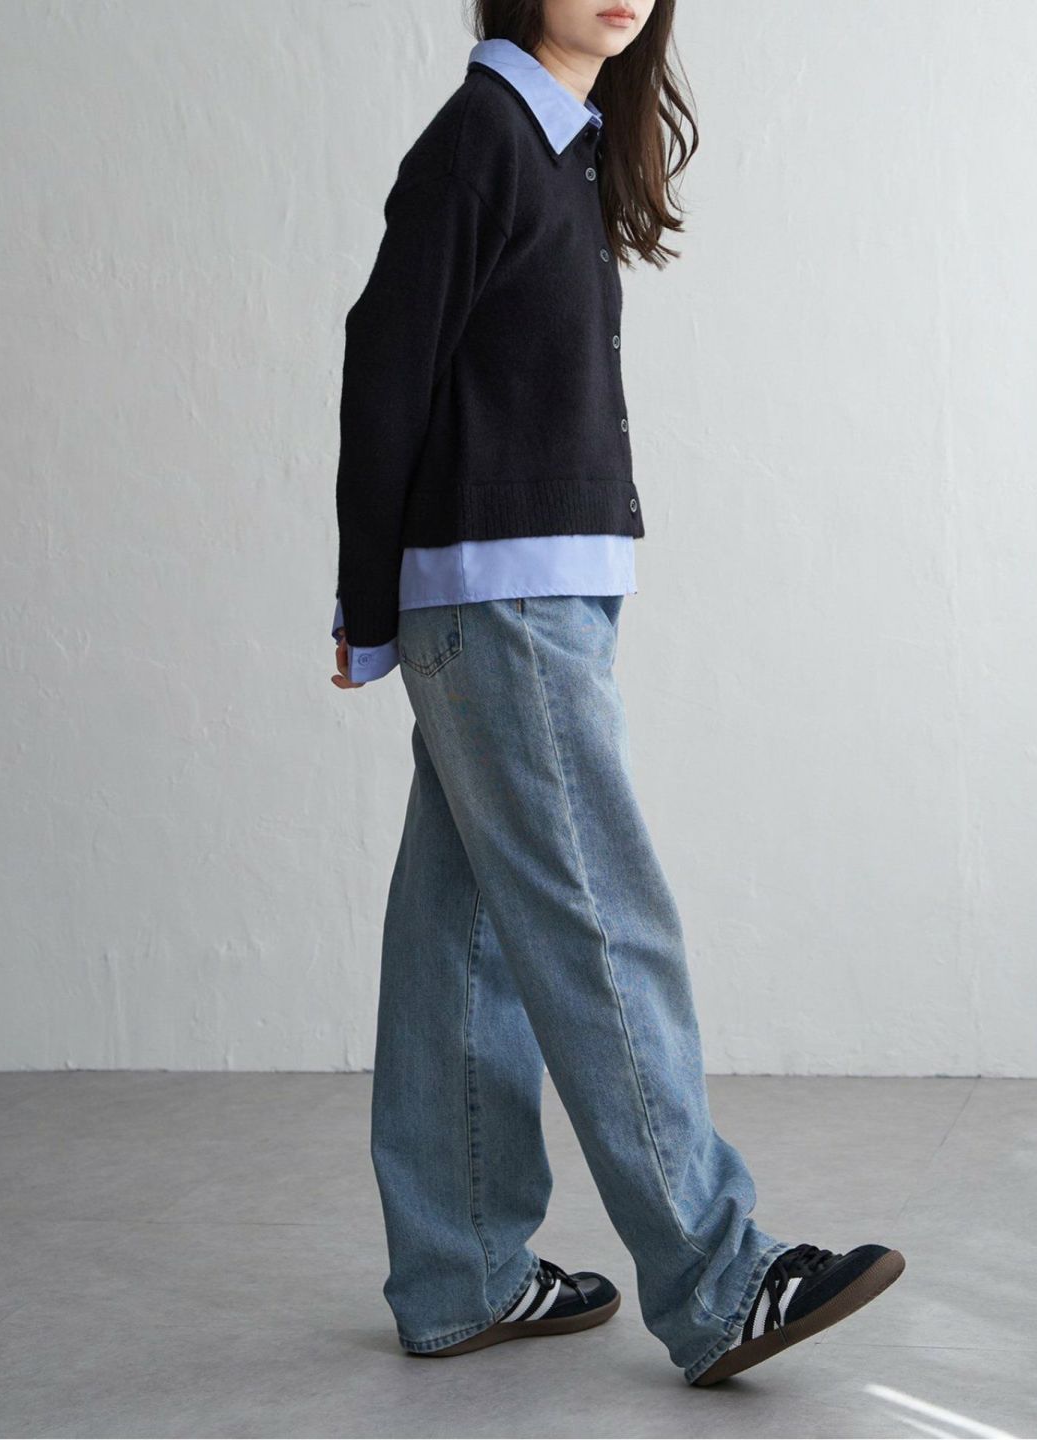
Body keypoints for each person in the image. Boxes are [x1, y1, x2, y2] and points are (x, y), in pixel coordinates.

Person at [328, 0, 904, 1388]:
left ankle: (461, 1275)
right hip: (501, 597)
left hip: (536, 592)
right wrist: (363, 602)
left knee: (464, 933)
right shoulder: (482, 138)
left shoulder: (561, 146)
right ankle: (718, 1278)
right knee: (603, 921)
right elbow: (383, 365)